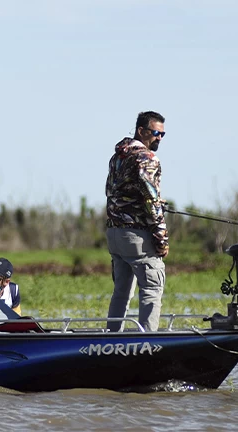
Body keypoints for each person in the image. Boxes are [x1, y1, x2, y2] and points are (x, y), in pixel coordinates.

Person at [104, 111, 168, 332]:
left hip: (114, 235)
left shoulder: (117, 157)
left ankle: (111, 340)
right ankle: (148, 342)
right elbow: (151, 200)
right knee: (152, 288)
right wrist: (161, 238)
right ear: (141, 131)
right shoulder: (147, 158)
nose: (159, 138)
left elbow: (114, 192)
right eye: (155, 133)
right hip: (136, 237)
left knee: (121, 291)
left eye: (163, 134)